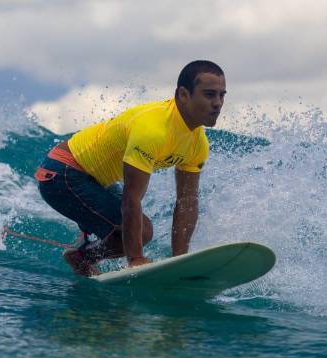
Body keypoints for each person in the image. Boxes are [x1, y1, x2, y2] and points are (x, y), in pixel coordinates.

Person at [34, 60, 226, 276]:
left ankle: (82, 257)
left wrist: (178, 260)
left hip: (95, 180)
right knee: (142, 232)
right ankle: (82, 258)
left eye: (222, 95)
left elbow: (187, 202)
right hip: (61, 173)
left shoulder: (198, 144)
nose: (218, 103)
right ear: (183, 94)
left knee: (137, 230)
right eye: (209, 95)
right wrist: (136, 260)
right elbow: (131, 198)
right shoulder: (153, 130)